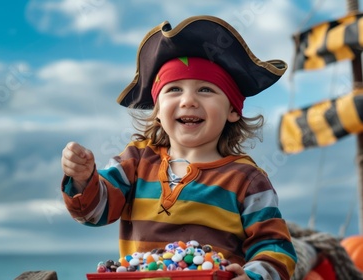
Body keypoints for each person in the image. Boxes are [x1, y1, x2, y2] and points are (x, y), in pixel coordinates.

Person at [60, 15, 297, 279]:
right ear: (158, 110)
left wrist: (251, 276)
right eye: (173, 89)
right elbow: (95, 213)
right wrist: (82, 179)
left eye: (206, 90)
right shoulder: (136, 160)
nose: (188, 101)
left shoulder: (247, 179)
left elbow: (276, 249)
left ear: (232, 109)